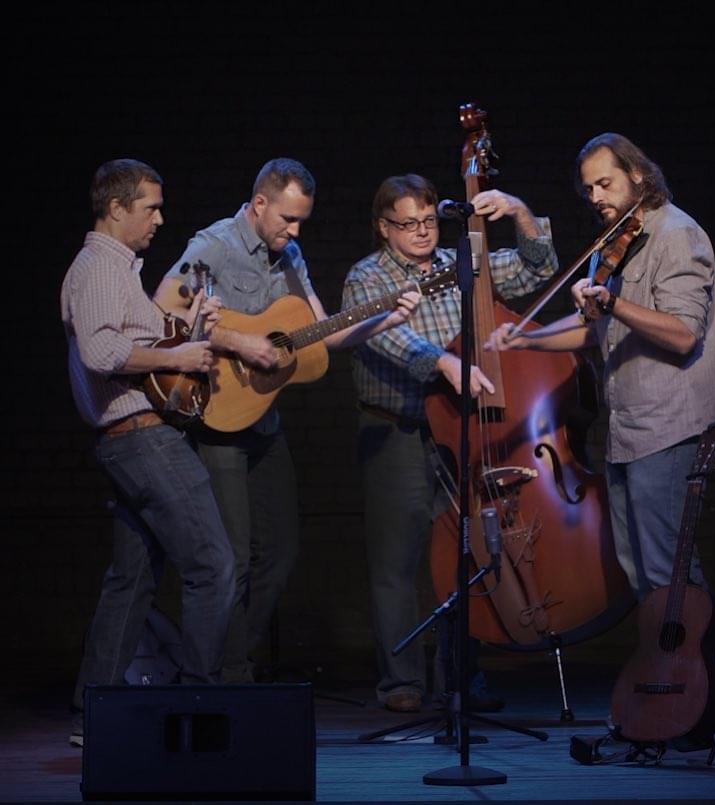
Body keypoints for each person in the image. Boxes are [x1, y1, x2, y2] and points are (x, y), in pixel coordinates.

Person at [154, 158, 418, 683]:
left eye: (301, 222)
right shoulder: (215, 245)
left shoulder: (290, 255)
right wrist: (239, 341)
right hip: (218, 422)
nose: (294, 232)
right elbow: (162, 309)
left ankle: (231, 661)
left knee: (281, 553)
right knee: (233, 557)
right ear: (259, 205)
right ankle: (224, 678)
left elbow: (323, 333)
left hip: (262, 426)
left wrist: (384, 318)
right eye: (287, 220)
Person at [342, 173, 559, 712]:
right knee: (397, 561)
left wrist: (518, 209)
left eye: (428, 221)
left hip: (459, 429)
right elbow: (388, 335)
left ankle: (461, 677)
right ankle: (402, 684)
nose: (422, 232)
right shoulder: (366, 276)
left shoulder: (458, 264)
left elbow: (539, 268)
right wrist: (442, 361)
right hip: (397, 428)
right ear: (383, 228)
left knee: (463, 554)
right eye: (408, 223)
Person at [486, 132, 715, 605]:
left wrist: (614, 302)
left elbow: (683, 334)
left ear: (637, 175)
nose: (595, 197)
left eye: (604, 184)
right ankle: (669, 671)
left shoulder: (677, 234)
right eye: (589, 189)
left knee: (667, 566)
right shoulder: (611, 245)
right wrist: (526, 338)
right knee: (636, 566)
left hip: (671, 426)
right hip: (629, 430)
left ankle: (699, 676)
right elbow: (590, 328)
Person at [61, 159, 235, 747]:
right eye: (150, 207)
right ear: (116, 209)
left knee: (131, 581)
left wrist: (188, 326)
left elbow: (136, 342)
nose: (160, 219)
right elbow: (102, 351)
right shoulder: (100, 267)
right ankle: (198, 703)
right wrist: (180, 357)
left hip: (130, 440)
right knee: (213, 566)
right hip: (142, 439)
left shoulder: (118, 272)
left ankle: (95, 714)